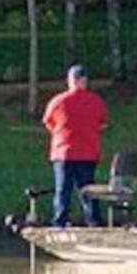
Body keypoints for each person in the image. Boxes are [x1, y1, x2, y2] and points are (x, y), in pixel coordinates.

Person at [42, 64, 109, 227]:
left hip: (63, 154)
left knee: (63, 191)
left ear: (70, 81)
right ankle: (94, 224)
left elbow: (48, 122)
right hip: (88, 154)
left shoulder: (58, 101)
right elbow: (103, 125)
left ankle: (60, 223)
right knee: (88, 192)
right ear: (85, 81)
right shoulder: (96, 101)